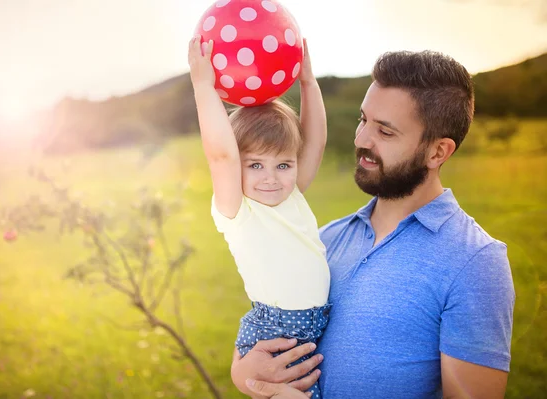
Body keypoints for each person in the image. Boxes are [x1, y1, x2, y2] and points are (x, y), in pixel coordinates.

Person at [231, 50, 516, 399]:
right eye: (363, 120)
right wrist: (244, 372)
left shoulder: (476, 261)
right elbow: (262, 329)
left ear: (438, 152)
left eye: (385, 131)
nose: (361, 140)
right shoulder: (327, 237)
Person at [188, 35, 331, 398]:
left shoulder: (291, 194)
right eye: (255, 164)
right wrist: (203, 87)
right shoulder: (237, 210)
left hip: (311, 327)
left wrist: (308, 81)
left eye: (283, 164)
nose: (271, 177)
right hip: (278, 333)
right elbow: (222, 155)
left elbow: (314, 142)